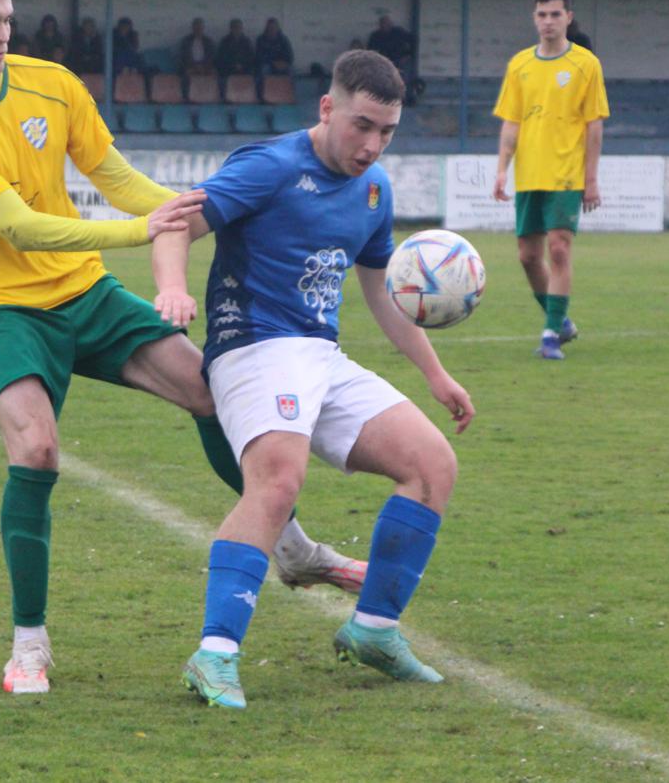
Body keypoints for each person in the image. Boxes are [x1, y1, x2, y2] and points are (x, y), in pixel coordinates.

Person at [0, 0, 364, 697]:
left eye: (8, 20)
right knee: (37, 449)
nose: (3, 34)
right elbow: (19, 226)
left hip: (83, 291)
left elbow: (114, 176)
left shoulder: (51, 85)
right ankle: (29, 644)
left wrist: (193, 210)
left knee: (211, 391)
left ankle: (295, 549)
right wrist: (141, 231)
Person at [152, 49, 475, 709]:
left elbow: (381, 291)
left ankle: (374, 629)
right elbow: (177, 221)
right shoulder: (269, 166)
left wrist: (435, 373)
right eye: (362, 126)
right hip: (252, 348)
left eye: (387, 131)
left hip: (320, 357)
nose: (372, 145)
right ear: (328, 108)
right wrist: (173, 288)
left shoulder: (374, 189)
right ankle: (214, 654)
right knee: (278, 479)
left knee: (433, 464)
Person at [492, 0, 609, 361]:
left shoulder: (586, 64)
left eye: (555, 14)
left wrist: (591, 179)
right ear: (534, 18)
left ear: (568, 18)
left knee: (558, 248)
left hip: (567, 173)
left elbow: (594, 126)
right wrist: (501, 169)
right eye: (542, 15)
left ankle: (549, 335)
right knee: (528, 256)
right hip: (529, 173)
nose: (548, 21)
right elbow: (512, 122)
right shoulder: (520, 65)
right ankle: (562, 321)